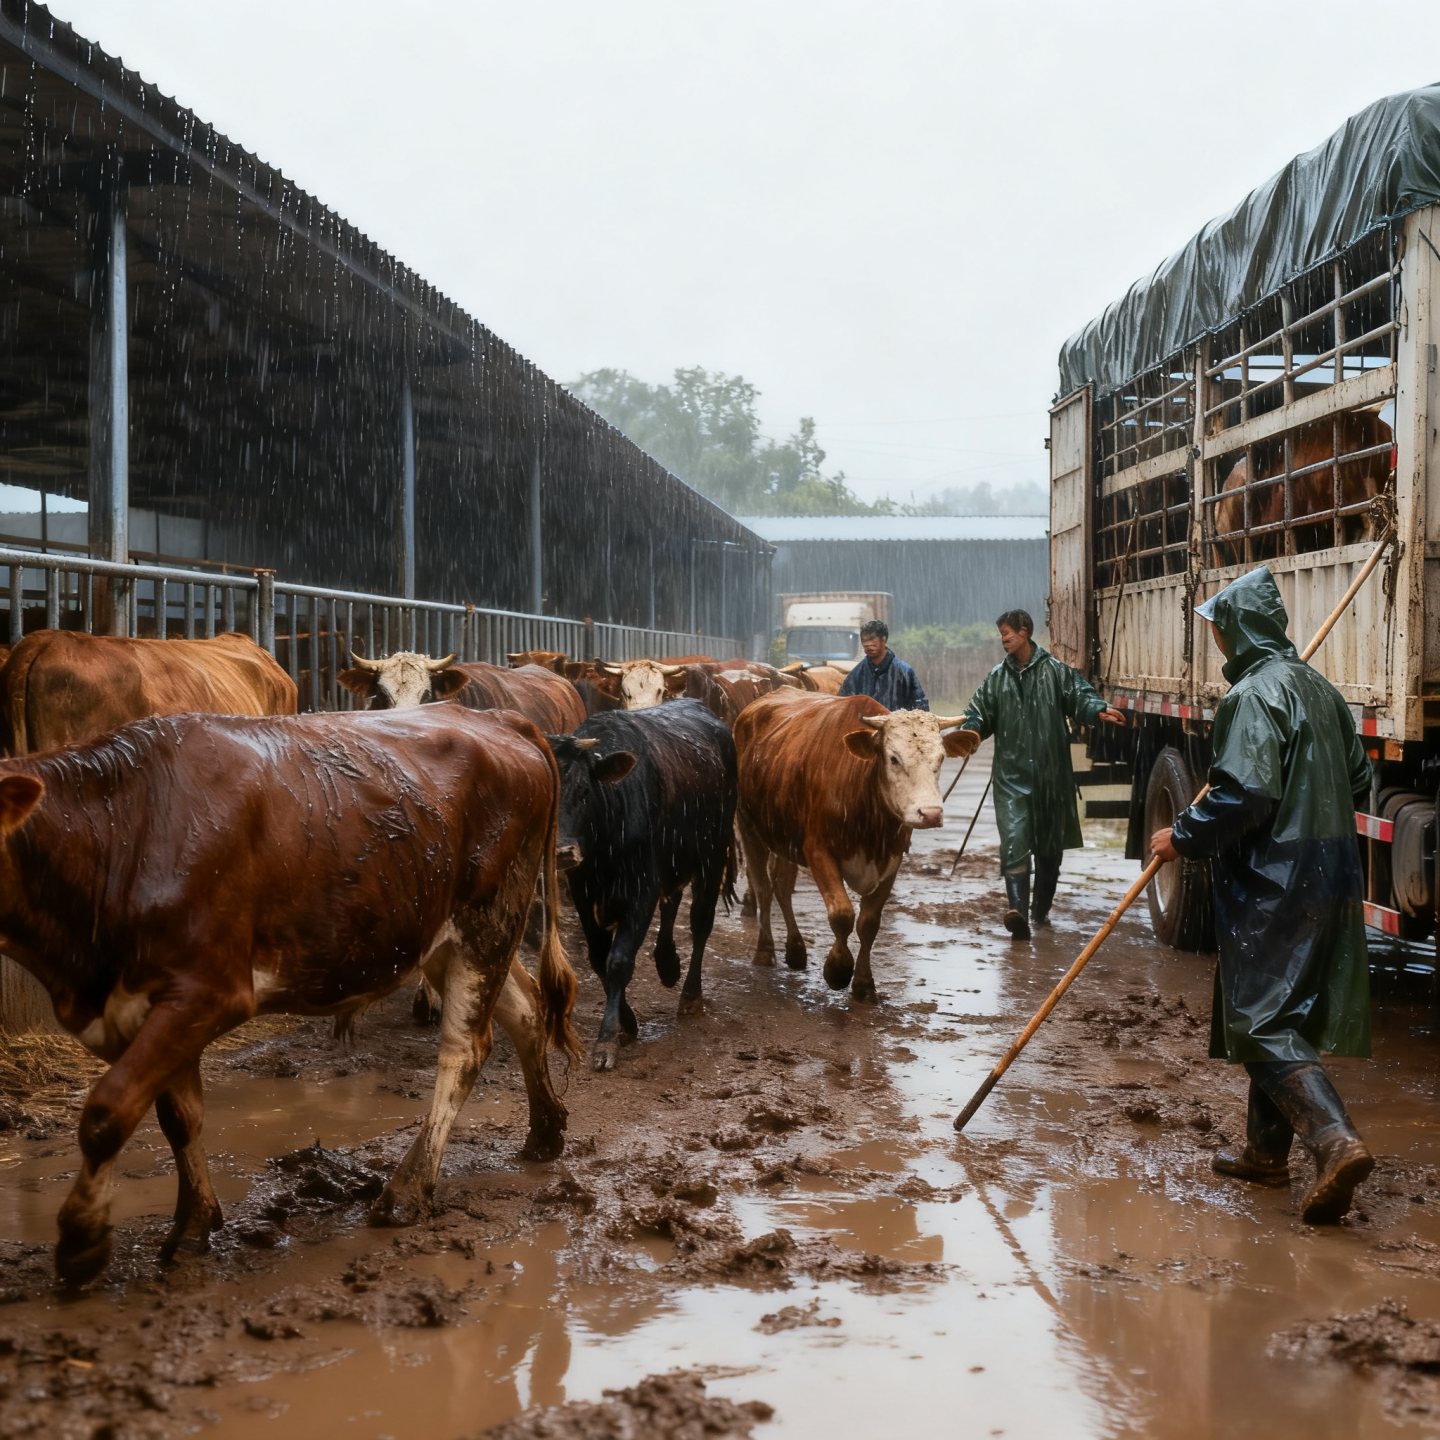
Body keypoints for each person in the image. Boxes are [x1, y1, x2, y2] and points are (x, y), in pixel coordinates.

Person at [1149, 566, 1373, 1224]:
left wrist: (1181, 836)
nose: (1216, 637)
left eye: (1219, 626)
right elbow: (1358, 779)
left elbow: (1245, 794)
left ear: (1239, 629)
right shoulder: (1319, 690)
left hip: (1277, 873)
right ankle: (1265, 1154)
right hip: (1332, 864)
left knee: (1260, 1018)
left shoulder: (1251, 694)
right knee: (1282, 1009)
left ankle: (1336, 1141)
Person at [960, 609, 1124, 939]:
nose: (1004, 640)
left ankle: (1040, 913)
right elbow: (978, 714)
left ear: (1024, 631)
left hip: (1052, 777)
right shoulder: (996, 678)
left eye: (1008, 634)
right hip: (1010, 777)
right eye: (1001, 635)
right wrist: (968, 734)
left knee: (1050, 848)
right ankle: (1018, 914)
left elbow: (1080, 696)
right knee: (1014, 842)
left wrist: (1097, 709)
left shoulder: (1056, 672)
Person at [838, 619, 928, 711]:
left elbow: (920, 708)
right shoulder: (856, 674)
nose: (868, 644)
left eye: (871, 638)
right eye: (864, 640)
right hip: (865, 720)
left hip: (897, 720)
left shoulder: (904, 672)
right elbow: (842, 706)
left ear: (884, 640)